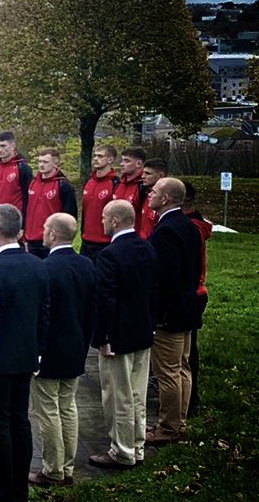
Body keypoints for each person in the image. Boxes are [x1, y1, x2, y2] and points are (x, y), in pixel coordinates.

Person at [0, 204, 49, 502]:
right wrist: (37, 351)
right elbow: (44, 315)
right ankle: (19, 488)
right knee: (20, 420)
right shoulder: (38, 265)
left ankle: (4, 491)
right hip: (26, 355)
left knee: (0, 425)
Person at [88, 200, 158, 470]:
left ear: (115, 221)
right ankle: (137, 445)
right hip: (142, 331)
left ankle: (122, 451)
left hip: (118, 337)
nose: (102, 221)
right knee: (137, 395)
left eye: (105, 217)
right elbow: (154, 290)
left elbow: (105, 299)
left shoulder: (110, 255)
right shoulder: (147, 247)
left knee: (118, 396)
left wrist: (102, 337)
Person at [29, 213, 95, 486]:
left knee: (48, 411)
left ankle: (53, 469)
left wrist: (36, 351)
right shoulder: (88, 265)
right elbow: (91, 309)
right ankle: (66, 466)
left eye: (45, 228)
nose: (42, 231)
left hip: (51, 352)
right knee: (68, 407)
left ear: (53, 235)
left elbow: (41, 316)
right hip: (76, 347)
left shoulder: (45, 268)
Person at [145, 177, 202, 446]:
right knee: (182, 367)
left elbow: (163, 278)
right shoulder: (189, 226)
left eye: (154, 191)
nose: (149, 194)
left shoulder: (166, 231)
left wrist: (158, 313)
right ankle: (179, 421)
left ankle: (168, 427)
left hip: (170, 314)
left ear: (166, 198)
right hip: (187, 308)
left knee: (167, 371)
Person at [182, 181, 212, 417]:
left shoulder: (188, 228)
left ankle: (190, 401)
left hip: (188, 295)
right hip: (192, 293)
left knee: (187, 351)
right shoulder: (190, 226)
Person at [0, 131, 32, 258]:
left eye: (3, 146)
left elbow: (28, 199)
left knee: (13, 259)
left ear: (13, 145)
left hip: (12, 223)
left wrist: (23, 226)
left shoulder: (23, 168)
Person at [24, 148, 77, 258]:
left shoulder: (64, 186)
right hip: (31, 240)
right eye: (40, 161)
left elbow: (70, 215)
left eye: (45, 162)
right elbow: (26, 209)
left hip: (51, 240)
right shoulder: (33, 182)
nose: (41, 165)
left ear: (55, 163)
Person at [80, 145, 118, 259]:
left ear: (110, 160)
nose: (96, 159)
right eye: (95, 156)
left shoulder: (115, 183)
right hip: (86, 241)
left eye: (100, 156)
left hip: (105, 242)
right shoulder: (89, 182)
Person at [111, 146, 147, 222]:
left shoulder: (143, 186)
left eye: (127, 161)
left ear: (139, 164)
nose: (121, 164)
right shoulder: (118, 183)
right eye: (122, 160)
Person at [138, 158, 168, 239]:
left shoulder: (166, 200)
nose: (143, 176)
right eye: (143, 173)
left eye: (148, 173)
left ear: (161, 175)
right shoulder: (145, 194)